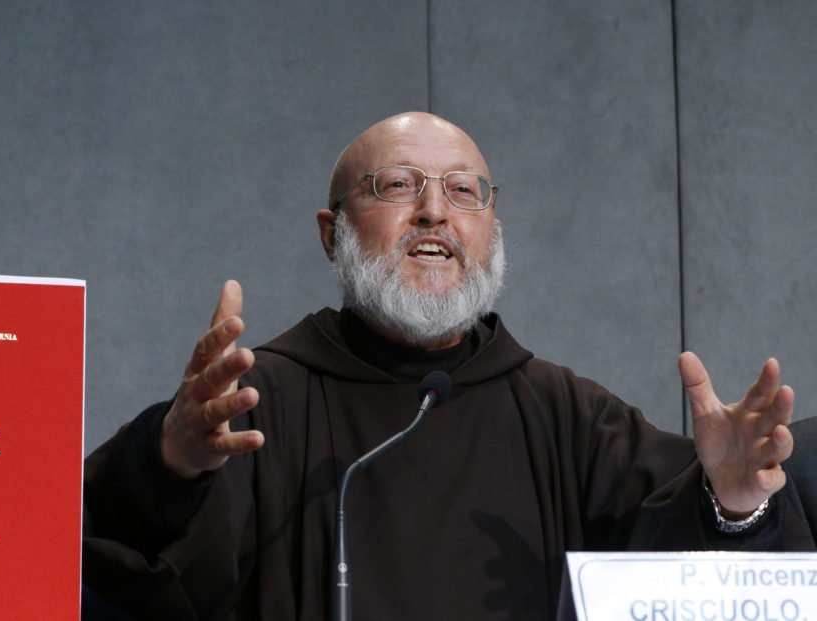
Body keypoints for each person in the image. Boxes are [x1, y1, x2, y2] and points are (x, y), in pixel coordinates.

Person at [82, 112, 814, 620]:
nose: (434, 211)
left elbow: (682, 575)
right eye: (397, 185)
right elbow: (133, 575)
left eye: (465, 191)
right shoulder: (255, 401)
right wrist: (169, 460)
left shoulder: (568, 415)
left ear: (491, 228)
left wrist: (733, 500)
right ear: (332, 234)